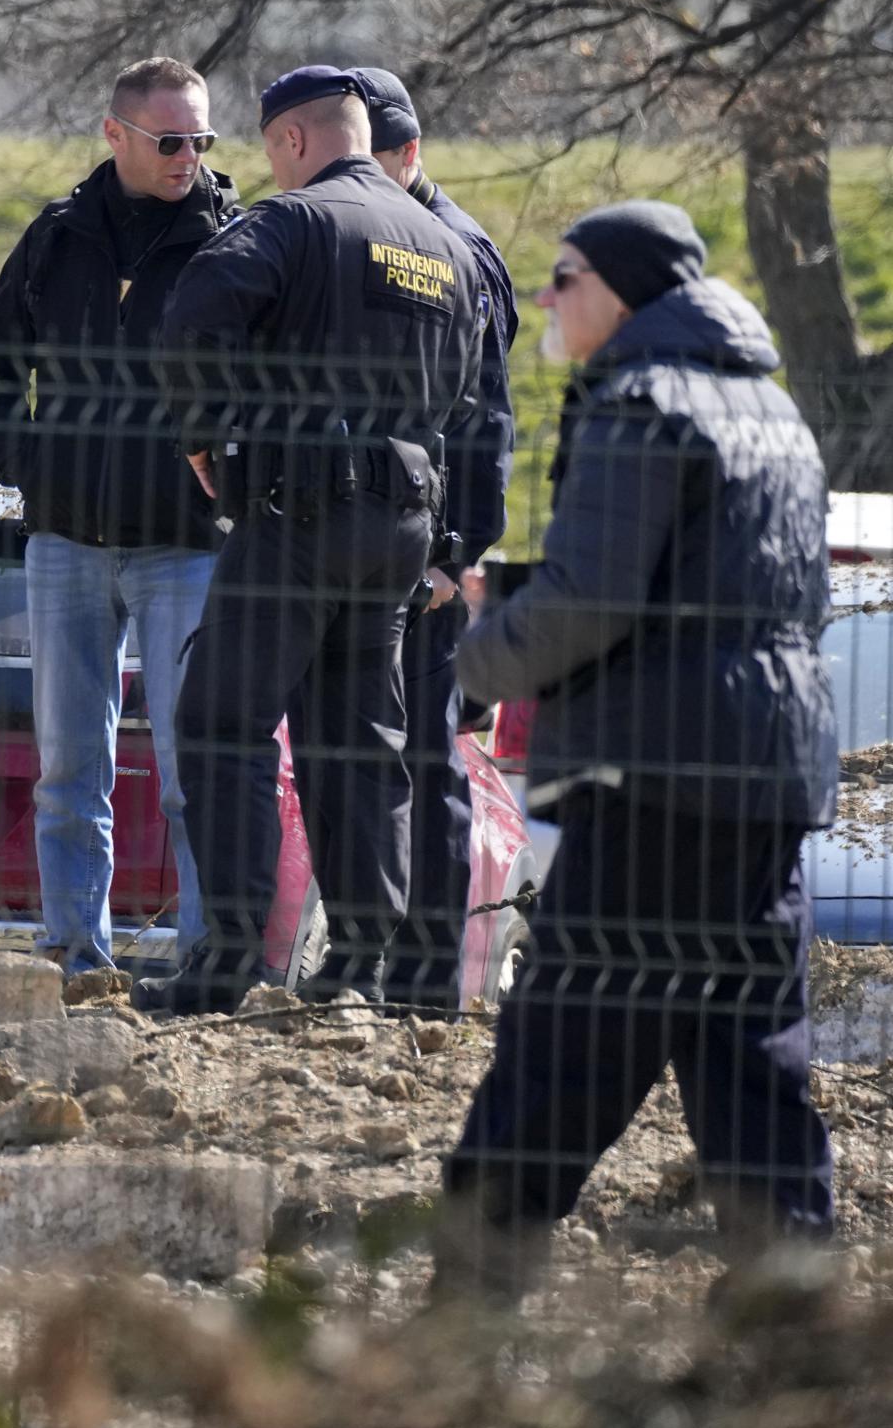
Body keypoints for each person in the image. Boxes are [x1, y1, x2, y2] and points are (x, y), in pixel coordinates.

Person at [437, 204, 834, 1294]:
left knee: (562, 1052)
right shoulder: (771, 410)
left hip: (649, 780)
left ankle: (461, 1313)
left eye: (563, 277)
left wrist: (471, 663)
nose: (550, 299)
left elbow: (592, 598)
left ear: (617, 287)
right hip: (764, 778)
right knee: (751, 1060)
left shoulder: (641, 400)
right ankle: (797, 1321)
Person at [145, 66, 484, 1013]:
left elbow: (193, 318)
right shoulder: (443, 245)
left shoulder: (292, 223)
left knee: (225, 723)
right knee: (363, 743)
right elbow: (464, 392)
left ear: (293, 140)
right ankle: (359, 969)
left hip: (296, 513)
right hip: (400, 528)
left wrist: (206, 437)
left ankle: (227, 960)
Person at [0, 55, 239, 977]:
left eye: (202, 137)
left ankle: (208, 960)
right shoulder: (59, 236)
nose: (189, 156)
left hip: (187, 549)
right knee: (67, 774)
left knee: (195, 771)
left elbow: (277, 376)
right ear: (115, 135)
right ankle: (75, 958)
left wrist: (230, 474)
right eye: (170, 139)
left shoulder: (233, 238)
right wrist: (24, 459)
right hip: (67, 542)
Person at [350, 68, 518, 1014]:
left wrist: (459, 554)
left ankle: (424, 992)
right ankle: (376, 977)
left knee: (425, 763)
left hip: (428, 554)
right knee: (372, 758)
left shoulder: (455, 249)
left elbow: (484, 418)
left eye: (369, 163)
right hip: (371, 539)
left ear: (409, 157)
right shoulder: (371, 231)